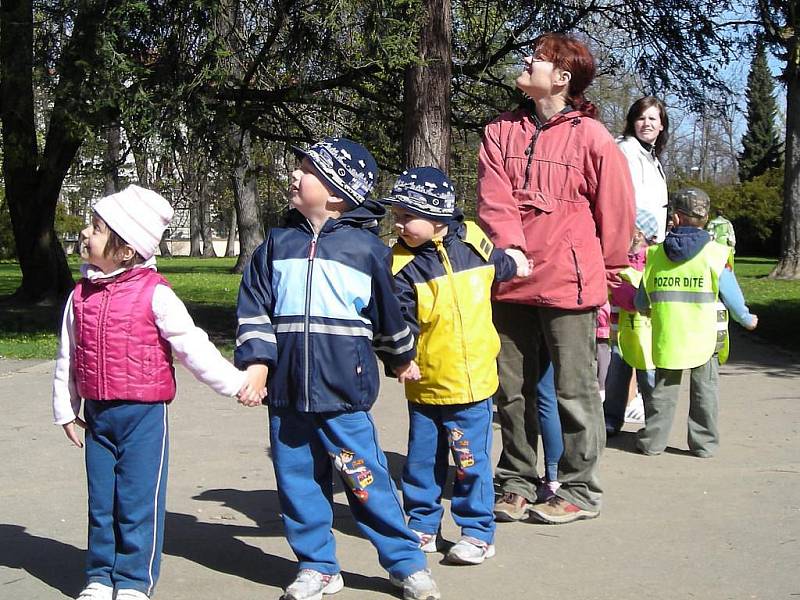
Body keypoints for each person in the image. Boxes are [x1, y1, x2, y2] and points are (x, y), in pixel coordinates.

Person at [233, 138, 440, 600]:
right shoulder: (275, 245)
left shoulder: (366, 251)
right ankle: (318, 565)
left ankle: (405, 562)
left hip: (344, 394)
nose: (293, 174)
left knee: (367, 482)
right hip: (286, 398)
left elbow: (389, 314)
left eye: (305, 168)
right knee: (299, 484)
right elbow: (253, 309)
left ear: (335, 193)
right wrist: (259, 365)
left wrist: (401, 357)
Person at [52, 185, 258, 600]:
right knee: (102, 503)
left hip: (144, 418)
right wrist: (66, 410)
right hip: (98, 415)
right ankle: (99, 576)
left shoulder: (156, 294)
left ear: (126, 249)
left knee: (137, 503)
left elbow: (192, 345)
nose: (85, 235)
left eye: (96, 228)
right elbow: (67, 357)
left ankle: (132, 581)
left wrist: (237, 383)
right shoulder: (80, 296)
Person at [477, 32, 635, 524]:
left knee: (575, 388)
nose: (526, 63)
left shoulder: (592, 136)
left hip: (570, 279)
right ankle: (517, 480)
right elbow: (493, 200)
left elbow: (616, 208)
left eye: (537, 60)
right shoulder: (500, 131)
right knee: (511, 388)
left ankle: (579, 488)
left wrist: (607, 271)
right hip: (512, 279)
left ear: (562, 79)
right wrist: (512, 251)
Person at [383, 167, 529, 565]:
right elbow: (396, 320)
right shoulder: (399, 265)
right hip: (427, 382)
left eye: (405, 216)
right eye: (395, 215)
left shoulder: (474, 240)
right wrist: (400, 358)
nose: (398, 225)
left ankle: (477, 531)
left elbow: (499, 263)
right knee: (420, 463)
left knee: (470, 462)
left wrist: (518, 264)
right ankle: (423, 524)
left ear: (437, 216)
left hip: (474, 383)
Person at [635, 188, 758, 457]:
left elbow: (641, 302)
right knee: (705, 392)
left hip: (668, 337)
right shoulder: (716, 254)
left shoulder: (654, 255)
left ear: (676, 219)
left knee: (662, 394)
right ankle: (704, 445)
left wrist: (643, 307)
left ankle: (652, 442)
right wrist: (747, 318)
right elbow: (732, 295)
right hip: (704, 339)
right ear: (704, 218)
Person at [604, 208, 660, 436]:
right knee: (616, 377)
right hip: (619, 332)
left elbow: (632, 295)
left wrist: (629, 294)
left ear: (639, 234)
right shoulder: (619, 260)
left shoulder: (654, 259)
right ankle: (611, 418)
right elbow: (618, 289)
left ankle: (655, 424)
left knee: (650, 380)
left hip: (648, 334)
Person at [617, 96, 670, 242]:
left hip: (651, 242)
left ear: (661, 125)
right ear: (633, 123)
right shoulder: (626, 150)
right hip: (634, 241)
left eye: (652, 119)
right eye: (641, 118)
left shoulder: (653, 159)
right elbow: (622, 199)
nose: (646, 124)